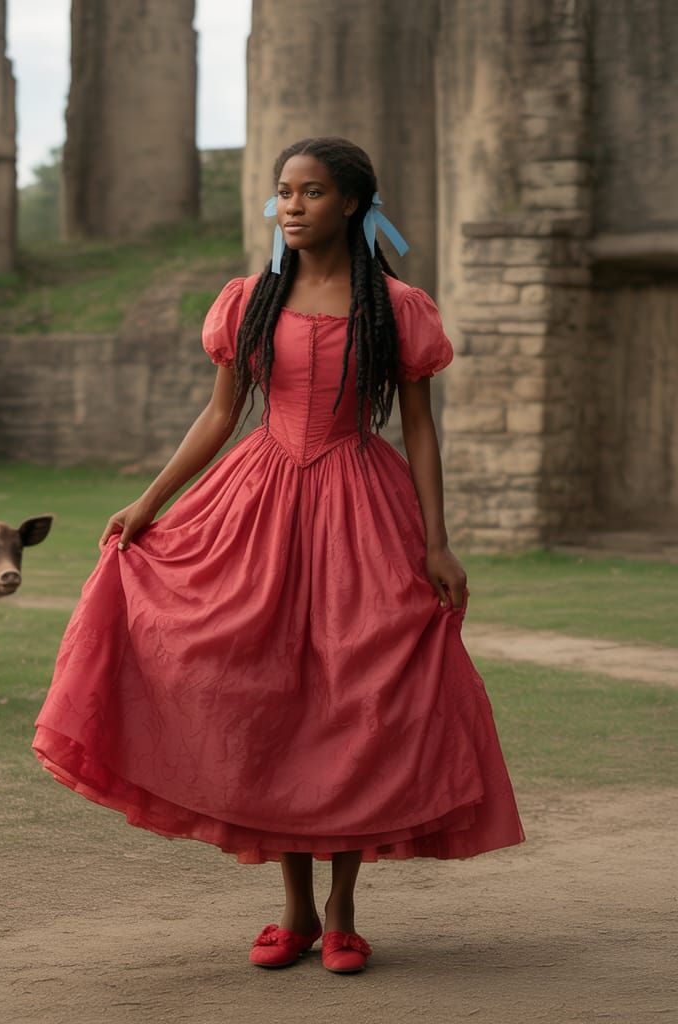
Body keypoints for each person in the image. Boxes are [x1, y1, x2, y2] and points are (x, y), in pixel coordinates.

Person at [31, 136, 525, 975]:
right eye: (284, 191)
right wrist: (150, 502)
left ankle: (342, 910)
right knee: (268, 696)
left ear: (353, 204)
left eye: (313, 192)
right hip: (258, 502)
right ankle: (293, 909)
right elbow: (221, 415)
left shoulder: (398, 307)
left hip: (361, 508)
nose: (292, 206)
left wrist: (437, 543)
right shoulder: (249, 300)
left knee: (356, 698)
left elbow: (419, 429)